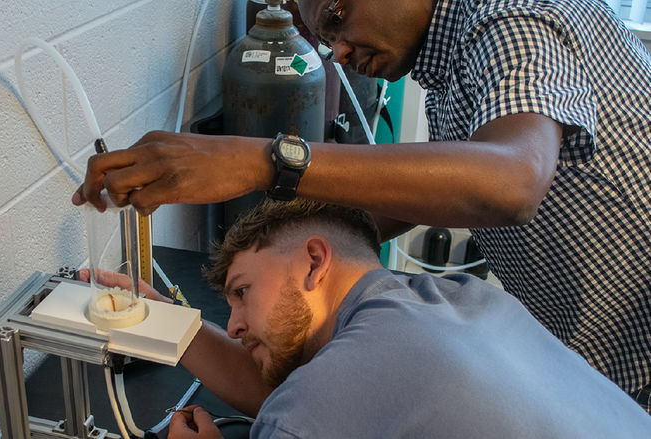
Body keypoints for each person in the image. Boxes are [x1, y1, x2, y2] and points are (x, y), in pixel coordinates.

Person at [72, 0, 651, 411]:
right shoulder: (452, 64)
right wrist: (176, 309)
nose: (339, 51)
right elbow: (380, 212)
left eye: (338, 17)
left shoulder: (512, 15)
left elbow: (513, 179)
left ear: (317, 262)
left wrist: (263, 161)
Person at [148, 199, 649, 438]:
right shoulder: (463, 297)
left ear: (315, 262)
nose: (234, 324)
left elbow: (305, 406)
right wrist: (165, 323)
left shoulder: (323, 399)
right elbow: (307, 394)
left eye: (242, 292)